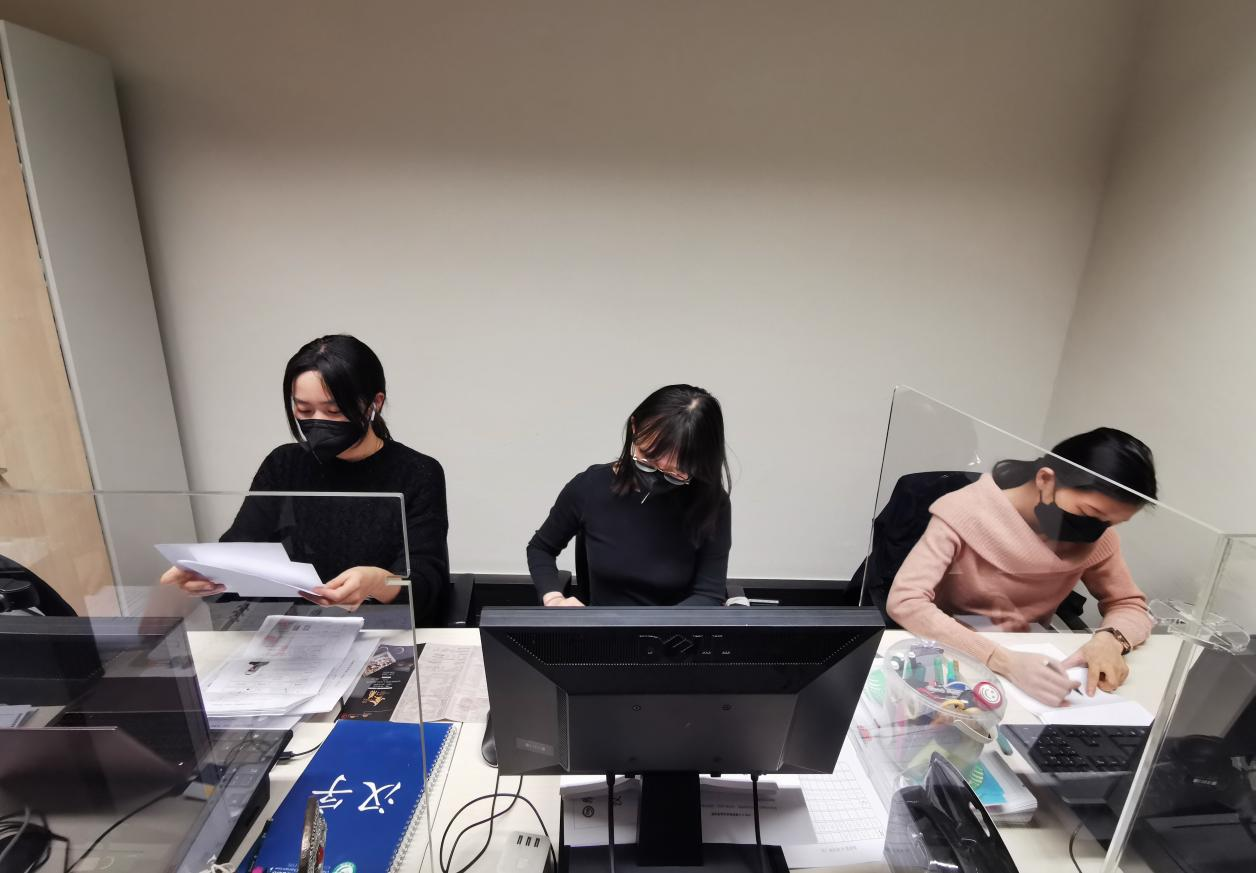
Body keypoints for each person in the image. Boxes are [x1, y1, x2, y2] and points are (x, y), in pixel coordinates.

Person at [160, 335, 449, 624]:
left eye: (335, 410)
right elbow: (240, 547)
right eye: (304, 410)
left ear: (375, 403)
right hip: (287, 628)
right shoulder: (283, 464)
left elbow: (425, 582)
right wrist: (205, 571)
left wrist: (377, 581)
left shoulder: (418, 472)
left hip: (380, 628)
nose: (318, 421)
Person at [886, 428, 1157, 705]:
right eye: (1090, 513)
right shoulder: (965, 512)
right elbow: (907, 601)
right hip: (953, 654)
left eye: (1111, 523)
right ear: (1045, 479)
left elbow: (1128, 604)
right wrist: (1004, 661)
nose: (1098, 529)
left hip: (1033, 657)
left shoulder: (1099, 538)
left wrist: (1110, 640)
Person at [527, 384, 732, 607]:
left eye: (675, 473)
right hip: (602, 626)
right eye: (648, 461)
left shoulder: (711, 503)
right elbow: (541, 549)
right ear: (635, 427)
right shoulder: (590, 487)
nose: (657, 476)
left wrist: (658, 625)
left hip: (676, 627)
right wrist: (554, 599)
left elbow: (709, 594)